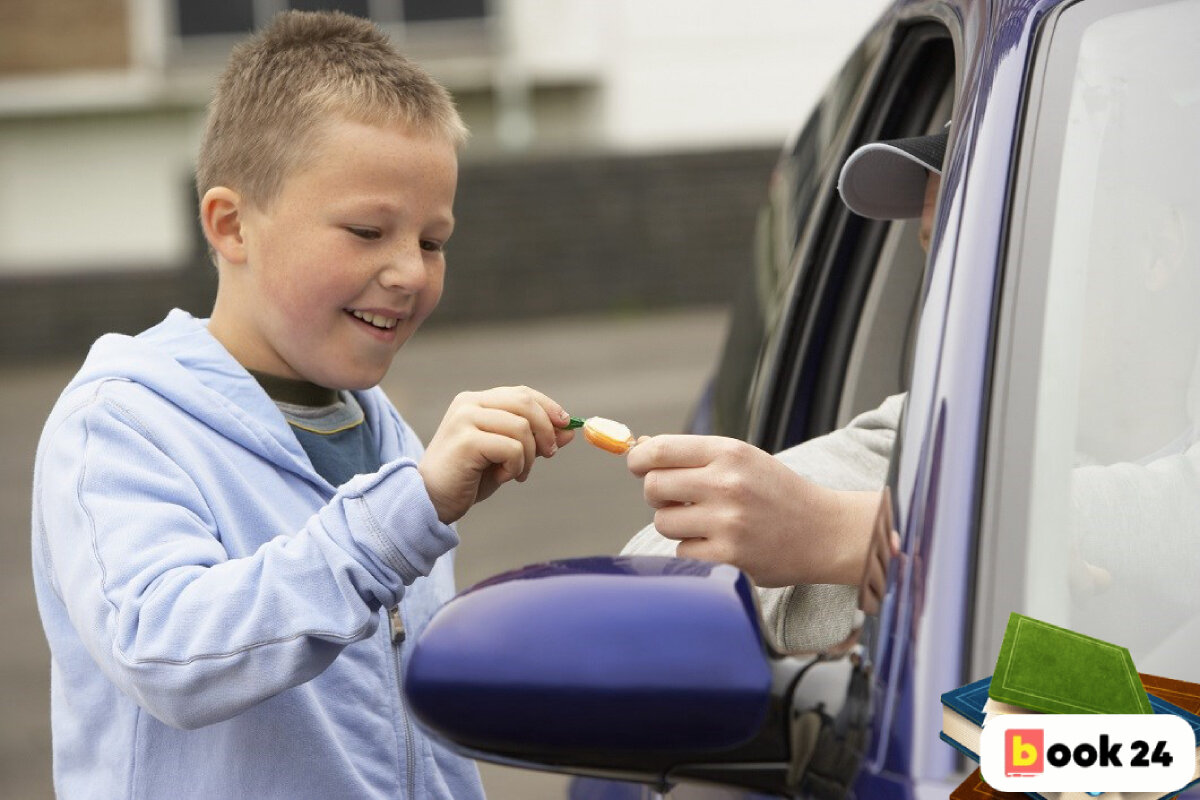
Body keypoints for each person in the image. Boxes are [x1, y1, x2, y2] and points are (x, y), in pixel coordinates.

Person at [30, 11, 575, 799]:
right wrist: (408, 510)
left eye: (432, 241)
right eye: (365, 230)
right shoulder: (123, 422)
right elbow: (164, 650)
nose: (410, 273)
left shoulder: (386, 433)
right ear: (231, 225)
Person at [622, 128, 948, 652]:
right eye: (933, 248)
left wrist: (839, 532)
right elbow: (649, 576)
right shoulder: (935, 423)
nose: (944, 288)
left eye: (975, 252)